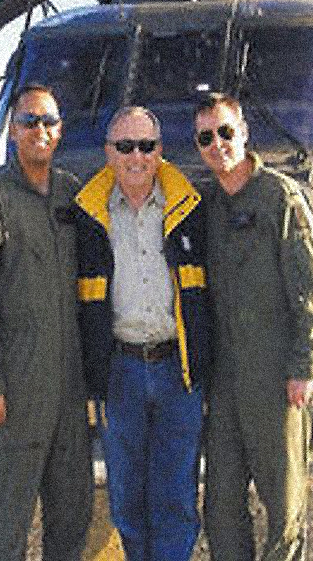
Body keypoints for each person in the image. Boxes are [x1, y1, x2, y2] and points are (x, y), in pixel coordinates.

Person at [0, 85, 93, 561]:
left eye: (49, 121)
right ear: (12, 132)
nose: (40, 130)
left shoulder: (72, 194)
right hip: (15, 391)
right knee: (9, 525)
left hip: (70, 392)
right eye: (29, 121)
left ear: (60, 131)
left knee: (72, 517)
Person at [194, 93, 313, 561]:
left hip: (277, 378)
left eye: (226, 132)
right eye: (207, 137)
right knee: (221, 507)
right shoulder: (207, 205)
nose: (218, 145)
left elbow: (312, 289)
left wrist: (305, 364)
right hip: (227, 382)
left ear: (244, 133)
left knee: (285, 508)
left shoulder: (279, 197)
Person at [73, 106, 212, 561]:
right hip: (120, 372)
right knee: (127, 498)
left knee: (175, 496)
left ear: (160, 151)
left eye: (147, 146)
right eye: (125, 146)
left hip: (177, 370)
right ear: (108, 153)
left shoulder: (190, 209)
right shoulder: (87, 216)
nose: (137, 156)